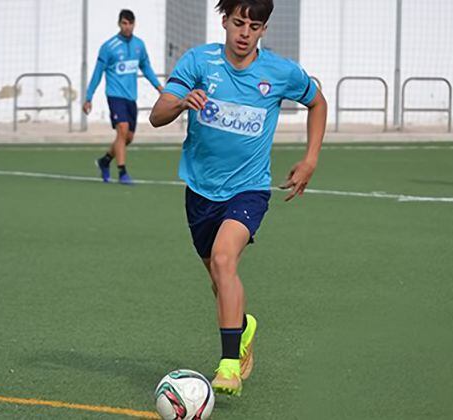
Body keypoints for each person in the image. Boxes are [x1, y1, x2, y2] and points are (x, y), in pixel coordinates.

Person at [149, 0, 327, 396]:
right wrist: (180, 101)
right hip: (199, 191)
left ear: (264, 30)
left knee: (225, 260)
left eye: (254, 25)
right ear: (225, 22)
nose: (244, 33)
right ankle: (243, 326)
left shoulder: (279, 72)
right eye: (238, 22)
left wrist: (310, 159)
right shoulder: (199, 62)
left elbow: (317, 101)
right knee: (218, 276)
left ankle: (229, 364)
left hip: (249, 189)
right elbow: (157, 115)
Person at [83, 9, 163, 185]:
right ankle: (122, 172)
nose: (127, 27)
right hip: (115, 96)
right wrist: (89, 97)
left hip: (130, 98)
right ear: (119, 24)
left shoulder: (139, 45)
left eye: (130, 23)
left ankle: (105, 161)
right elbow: (97, 73)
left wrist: (159, 87)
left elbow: (146, 67)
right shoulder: (108, 47)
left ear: (134, 24)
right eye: (124, 23)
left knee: (128, 138)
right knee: (122, 129)